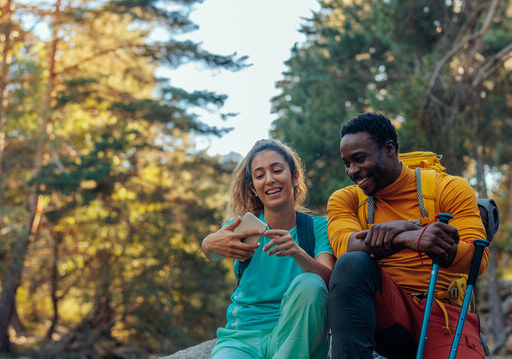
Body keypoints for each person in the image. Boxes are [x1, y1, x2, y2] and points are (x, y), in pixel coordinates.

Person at [327, 113, 488, 358]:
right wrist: (408, 235)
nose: (352, 171)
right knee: (351, 263)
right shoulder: (345, 200)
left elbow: (479, 258)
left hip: (443, 313)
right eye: (346, 163)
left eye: (359, 159)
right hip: (389, 313)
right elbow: (345, 247)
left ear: (390, 148)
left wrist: (441, 247)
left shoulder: (448, 188)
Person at [202, 139, 335, 359]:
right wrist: (207, 243)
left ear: (295, 177)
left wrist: (297, 252)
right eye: (260, 175)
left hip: (297, 338)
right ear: (253, 188)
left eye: (277, 170)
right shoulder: (245, 228)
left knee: (311, 283)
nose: (270, 180)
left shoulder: (317, 228)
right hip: (242, 339)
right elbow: (212, 251)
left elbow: (330, 282)